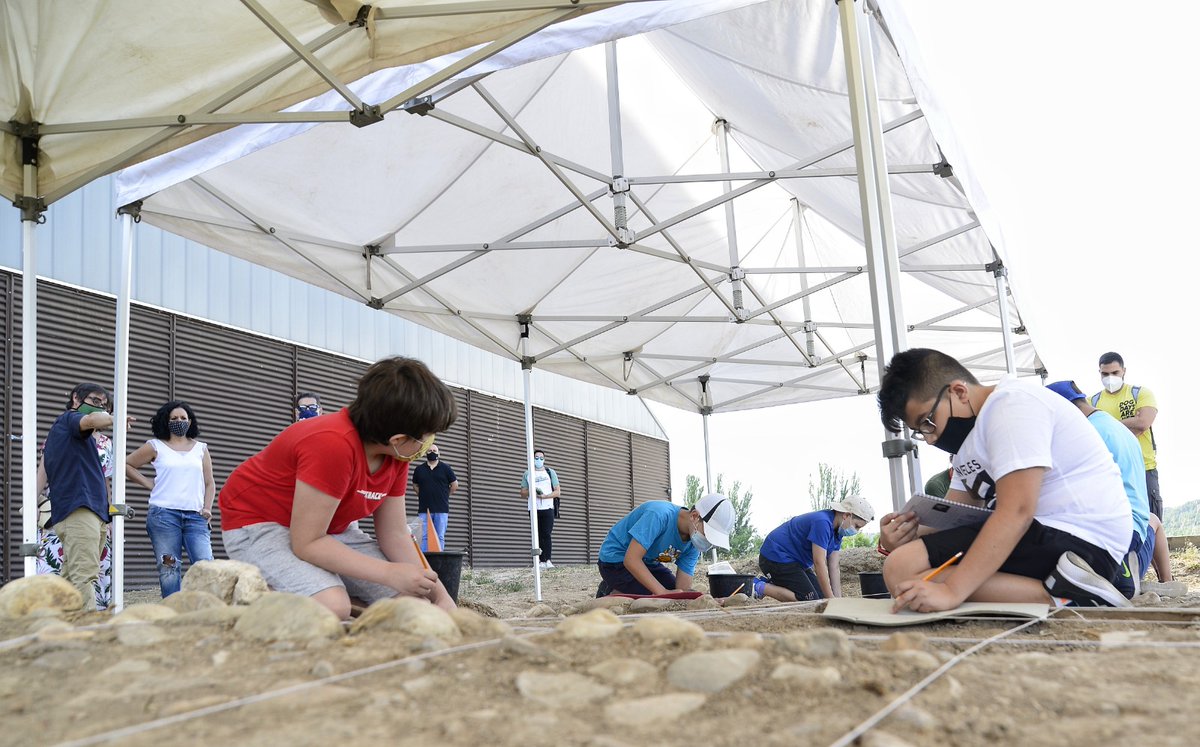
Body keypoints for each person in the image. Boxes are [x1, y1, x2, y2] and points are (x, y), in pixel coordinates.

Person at [876, 348, 1132, 611]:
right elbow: (955, 517)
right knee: (903, 570)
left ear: (959, 392)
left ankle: (1068, 596)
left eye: (928, 422)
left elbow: (1018, 510)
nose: (930, 438)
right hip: (1045, 536)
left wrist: (951, 591)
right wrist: (906, 534)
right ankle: (1062, 591)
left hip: (1081, 540)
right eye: (920, 432)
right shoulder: (968, 444)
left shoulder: (1011, 405)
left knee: (903, 569)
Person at [220, 357, 458, 618]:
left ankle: (335, 589)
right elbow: (307, 542)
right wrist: (389, 573)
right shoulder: (332, 444)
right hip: (261, 523)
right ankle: (248, 595)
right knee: (331, 606)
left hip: (328, 531)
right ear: (398, 439)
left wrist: (441, 597)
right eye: (426, 436)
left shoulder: (396, 456)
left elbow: (394, 534)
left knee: (415, 606)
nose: (428, 443)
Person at [1046, 381, 1173, 593]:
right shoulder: (1117, 427)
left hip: (1115, 531)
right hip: (1135, 524)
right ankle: (1167, 583)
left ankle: (1129, 576)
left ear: (1064, 409)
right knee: (1153, 520)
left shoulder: (1087, 433)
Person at [125, 400, 216, 598]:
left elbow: (210, 483)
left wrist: (207, 508)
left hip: (196, 517)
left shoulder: (201, 448)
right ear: (166, 422)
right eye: (174, 418)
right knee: (169, 567)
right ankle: (172, 614)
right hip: (163, 516)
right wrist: (149, 483)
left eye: (183, 418)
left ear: (190, 422)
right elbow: (127, 465)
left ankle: (209, 611)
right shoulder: (155, 446)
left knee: (206, 566)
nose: (179, 421)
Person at [41, 383, 115, 609]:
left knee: (70, 578)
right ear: (76, 399)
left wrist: (108, 511)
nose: (99, 408)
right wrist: (116, 418)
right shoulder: (69, 420)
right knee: (83, 576)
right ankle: (86, 633)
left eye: (104, 405)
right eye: (94, 401)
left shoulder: (93, 441)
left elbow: (105, 479)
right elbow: (90, 420)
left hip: (94, 511)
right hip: (79, 509)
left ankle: (57, 625)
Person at [594, 494, 734, 596]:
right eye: (709, 535)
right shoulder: (659, 515)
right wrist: (662, 593)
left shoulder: (693, 543)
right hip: (615, 561)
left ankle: (629, 589)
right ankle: (609, 590)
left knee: (675, 593)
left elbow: (682, 589)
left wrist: (695, 598)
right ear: (694, 516)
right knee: (657, 596)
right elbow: (631, 560)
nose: (708, 543)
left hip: (647, 563)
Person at [753, 496, 874, 602]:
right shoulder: (822, 522)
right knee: (808, 599)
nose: (856, 531)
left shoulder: (838, 532)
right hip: (775, 557)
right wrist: (830, 600)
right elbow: (819, 562)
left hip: (796, 563)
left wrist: (837, 601)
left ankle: (779, 582)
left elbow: (834, 566)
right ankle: (759, 586)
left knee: (820, 598)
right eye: (857, 526)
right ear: (847, 515)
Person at [1092, 352, 1163, 520]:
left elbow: (1143, 422)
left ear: (1124, 371)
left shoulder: (1140, 393)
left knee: (1152, 523)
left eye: (1115, 373)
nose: (1110, 377)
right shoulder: (1092, 402)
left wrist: (1108, 426)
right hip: (1111, 472)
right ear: (1099, 373)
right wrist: (1131, 422)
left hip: (1144, 468)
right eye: (1105, 374)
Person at [411, 444, 458, 551]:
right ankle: (425, 561)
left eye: (434, 450)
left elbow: (455, 485)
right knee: (423, 536)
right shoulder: (419, 469)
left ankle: (439, 560)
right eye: (429, 450)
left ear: (438, 453)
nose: (432, 452)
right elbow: (415, 485)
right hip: (424, 509)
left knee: (440, 536)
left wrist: (445, 496)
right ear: (426, 453)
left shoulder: (446, 468)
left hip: (441, 509)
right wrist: (422, 495)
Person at [520, 449, 560, 569]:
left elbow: (558, 491)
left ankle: (547, 559)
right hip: (533, 508)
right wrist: (532, 490)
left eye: (541, 458)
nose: (539, 460)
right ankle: (539, 561)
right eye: (536, 458)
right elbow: (522, 493)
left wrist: (546, 496)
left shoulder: (550, 472)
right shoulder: (527, 473)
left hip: (547, 507)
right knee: (536, 534)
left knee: (546, 533)